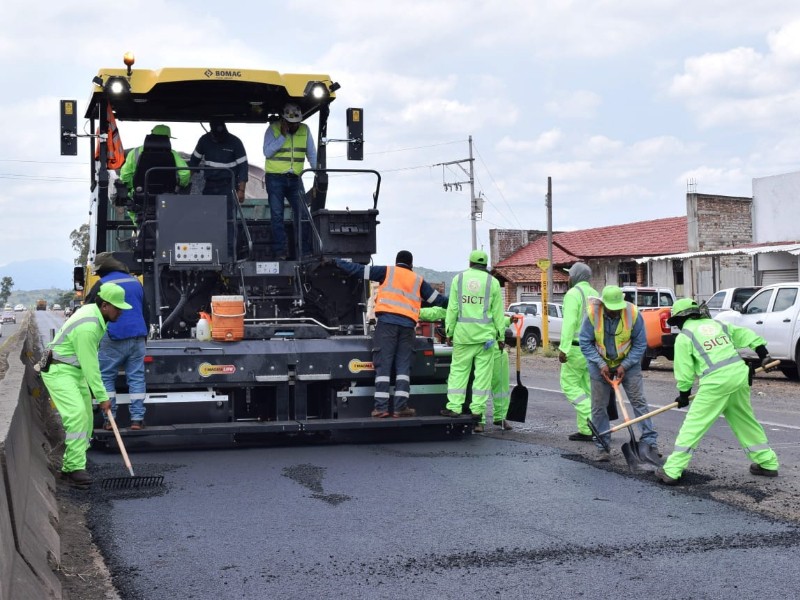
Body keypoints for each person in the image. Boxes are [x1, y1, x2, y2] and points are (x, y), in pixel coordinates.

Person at [655, 299, 779, 485]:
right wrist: (764, 355)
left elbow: (684, 371)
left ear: (681, 319)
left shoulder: (685, 336)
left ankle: (672, 470)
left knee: (693, 425)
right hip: (739, 375)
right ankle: (767, 462)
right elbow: (746, 335)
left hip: (716, 383)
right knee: (745, 420)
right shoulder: (717, 324)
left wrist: (683, 394)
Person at [334, 250, 447, 417]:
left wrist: (337, 261)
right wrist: (459, 302)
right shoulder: (418, 280)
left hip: (387, 325)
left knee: (383, 366)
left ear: (397, 262)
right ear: (411, 265)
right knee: (403, 367)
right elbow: (438, 300)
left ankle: (381, 408)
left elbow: (358, 270)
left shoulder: (387, 272)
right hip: (408, 327)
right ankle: (401, 407)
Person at [40, 282, 132, 488]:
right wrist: (102, 397)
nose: (120, 312)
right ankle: (73, 469)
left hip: (74, 371)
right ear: (105, 305)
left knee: (87, 420)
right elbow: (92, 367)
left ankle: (73, 463)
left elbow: (87, 366)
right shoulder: (88, 327)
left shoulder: (96, 315)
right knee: (77, 415)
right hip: (59, 371)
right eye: (118, 308)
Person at [579, 285, 658, 461]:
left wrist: (626, 365)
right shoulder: (593, 314)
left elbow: (640, 344)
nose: (616, 312)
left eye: (618, 308)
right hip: (599, 363)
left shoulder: (633, 313)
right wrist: (600, 364)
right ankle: (602, 446)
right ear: (603, 304)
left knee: (639, 402)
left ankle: (650, 443)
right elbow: (585, 342)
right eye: (611, 309)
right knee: (599, 406)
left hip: (628, 363)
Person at [441, 250, 506, 433]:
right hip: (486, 338)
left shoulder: (458, 280)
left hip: (463, 336)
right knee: (482, 377)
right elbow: (498, 313)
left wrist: (449, 331)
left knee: (459, 372)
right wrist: (501, 337)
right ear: (485, 265)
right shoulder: (493, 283)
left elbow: (452, 308)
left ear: (469, 263)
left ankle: (454, 407)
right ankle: (477, 411)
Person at [84, 253, 149, 431]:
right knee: (136, 377)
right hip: (137, 337)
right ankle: (137, 419)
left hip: (113, 336)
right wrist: (146, 335)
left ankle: (109, 420)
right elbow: (145, 310)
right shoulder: (135, 282)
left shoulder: (103, 284)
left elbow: (89, 310)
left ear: (103, 270)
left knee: (106, 377)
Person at [262, 103, 318, 259]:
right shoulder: (273, 129)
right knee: (277, 215)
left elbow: (311, 154)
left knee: (303, 215)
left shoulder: (305, 130)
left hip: (295, 179)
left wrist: (319, 173)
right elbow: (267, 152)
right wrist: (282, 136)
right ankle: (280, 251)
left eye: (297, 123)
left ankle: (305, 252)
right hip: (275, 178)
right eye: (291, 123)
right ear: (284, 120)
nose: (295, 126)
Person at [558, 263, 599, 442]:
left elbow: (569, 323)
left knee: (568, 385)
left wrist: (563, 348)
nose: (568, 278)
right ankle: (586, 430)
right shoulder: (595, 294)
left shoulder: (573, 294)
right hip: (592, 348)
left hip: (575, 348)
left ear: (575, 276)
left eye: (570, 275)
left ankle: (593, 418)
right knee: (586, 388)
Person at [119, 124, 191, 196]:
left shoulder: (135, 152)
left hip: (140, 195)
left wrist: (131, 188)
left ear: (151, 135)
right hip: (167, 196)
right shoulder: (173, 154)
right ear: (167, 139)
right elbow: (185, 172)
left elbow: (125, 174)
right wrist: (180, 186)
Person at [188, 119, 249, 203]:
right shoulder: (204, 140)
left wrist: (241, 190)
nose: (218, 139)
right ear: (211, 133)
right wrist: (185, 183)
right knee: (208, 213)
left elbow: (243, 167)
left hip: (229, 186)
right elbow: (193, 162)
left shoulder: (235, 142)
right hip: (210, 186)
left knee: (229, 215)